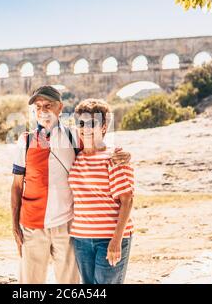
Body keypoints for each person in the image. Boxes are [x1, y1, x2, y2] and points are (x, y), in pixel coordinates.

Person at [10, 85, 131, 284]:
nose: (42, 110)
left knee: (69, 284)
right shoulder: (26, 140)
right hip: (32, 225)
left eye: (48, 105)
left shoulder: (74, 136)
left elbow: (100, 147)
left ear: (60, 108)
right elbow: (16, 186)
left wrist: (125, 153)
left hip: (67, 225)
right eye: (38, 107)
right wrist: (15, 226)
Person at [68, 98, 135, 284]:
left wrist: (116, 241)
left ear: (104, 127)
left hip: (109, 238)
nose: (85, 128)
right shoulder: (76, 155)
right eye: (81, 123)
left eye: (92, 124)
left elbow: (127, 200)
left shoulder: (113, 157)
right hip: (81, 237)